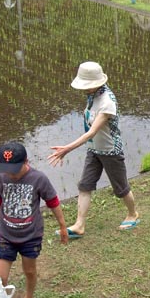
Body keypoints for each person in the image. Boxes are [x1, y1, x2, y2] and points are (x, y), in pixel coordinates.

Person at [48, 62, 140, 235]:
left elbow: (91, 132)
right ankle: (79, 225)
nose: (84, 89)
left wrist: (66, 149)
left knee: (121, 188)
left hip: (110, 151)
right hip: (94, 149)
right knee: (85, 185)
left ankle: (132, 214)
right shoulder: (93, 96)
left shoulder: (107, 102)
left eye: (87, 85)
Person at [0, 142, 69, 298]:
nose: (10, 173)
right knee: (0, 277)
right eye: (6, 169)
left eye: (14, 169)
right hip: (5, 234)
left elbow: (53, 202)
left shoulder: (38, 179)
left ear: (26, 161)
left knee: (30, 271)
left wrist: (63, 226)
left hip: (30, 236)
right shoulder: (1, 177)